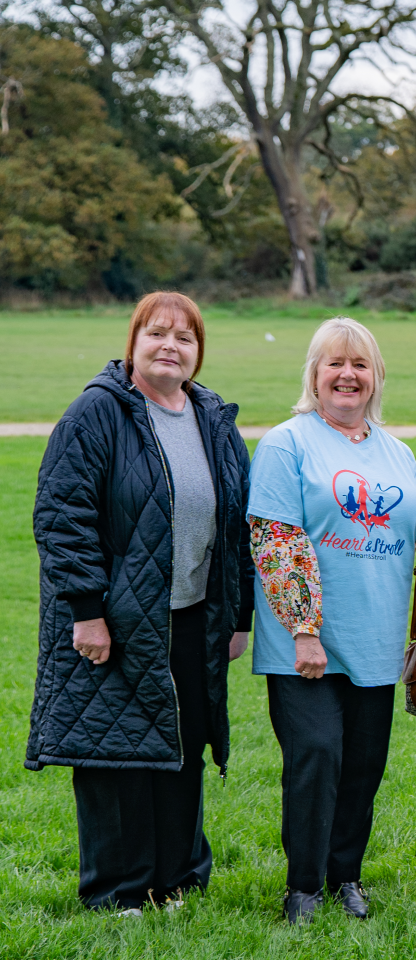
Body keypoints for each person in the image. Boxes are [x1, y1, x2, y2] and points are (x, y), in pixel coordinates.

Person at [29, 292, 252, 915]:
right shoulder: (96, 414)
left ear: (198, 351)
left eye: (185, 338)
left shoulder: (210, 415)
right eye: (157, 334)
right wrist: (86, 611)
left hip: (191, 614)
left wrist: (237, 615)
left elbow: (238, 525)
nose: (170, 347)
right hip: (115, 619)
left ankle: (176, 880)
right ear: (133, 342)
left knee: (182, 745)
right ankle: (119, 891)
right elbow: (62, 517)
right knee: (115, 754)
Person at [249, 317, 416, 922]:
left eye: (360, 365)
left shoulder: (398, 452)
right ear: (315, 375)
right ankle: (302, 886)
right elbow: (277, 539)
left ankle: (345, 876)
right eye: (335, 364)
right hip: (307, 642)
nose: (347, 375)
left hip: (375, 638)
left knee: (363, 766)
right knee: (317, 755)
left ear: (376, 377)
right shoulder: (286, 443)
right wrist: (303, 629)